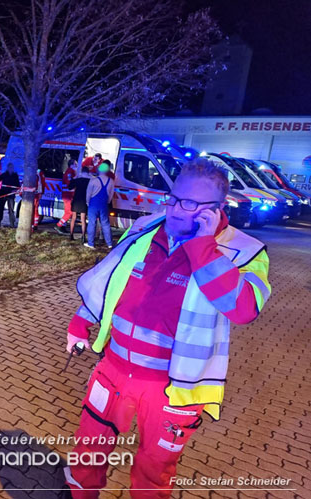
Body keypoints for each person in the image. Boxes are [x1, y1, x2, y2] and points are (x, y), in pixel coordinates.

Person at [64, 159, 271, 498]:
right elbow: (110, 278)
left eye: (189, 204)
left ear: (216, 211)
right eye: (174, 198)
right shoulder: (148, 227)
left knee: (153, 470)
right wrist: (81, 321)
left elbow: (244, 308)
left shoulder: (244, 252)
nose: (175, 209)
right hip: (113, 370)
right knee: (87, 451)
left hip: (172, 388)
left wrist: (203, 247)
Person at [84, 161, 115, 250]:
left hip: (93, 205)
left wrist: (87, 202)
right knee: (105, 224)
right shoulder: (111, 181)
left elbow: (88, 194)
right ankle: (109, 243)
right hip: (104, 205)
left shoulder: (94, 180)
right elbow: (110, 195)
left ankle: (91, 243)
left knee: (92, 223)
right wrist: (107, 202)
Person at [67, 166, 91, 242]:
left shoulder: (77, 180)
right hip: (84, 201)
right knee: (83, 219)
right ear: (88, 172)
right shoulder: (90, 181)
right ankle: (83, 236)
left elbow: (69, 187)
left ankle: (71, 235)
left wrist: (73, 179)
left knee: (73, 218)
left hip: (76, 200)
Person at [55, 159, 77, 235]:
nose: (76, 166)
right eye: (75, 164)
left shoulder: (70, 172)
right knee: (69, 212)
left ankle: (62, 226)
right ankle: (59, 225)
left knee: (67, 212)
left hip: (68, 196)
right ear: (72, 164)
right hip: (68, 196)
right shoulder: (70, 172)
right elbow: (70, 184)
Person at [0, 162, 20, 229]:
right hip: (3, 194)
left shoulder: (15, 176)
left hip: (11, 195)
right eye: (9, 167)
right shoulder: (4, 174)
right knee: (0, 209)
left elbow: (18, 185)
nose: (10, 169)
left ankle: (12, 224)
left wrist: (14, 190)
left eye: (11, 167)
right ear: (8, 168)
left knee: (11, 210)